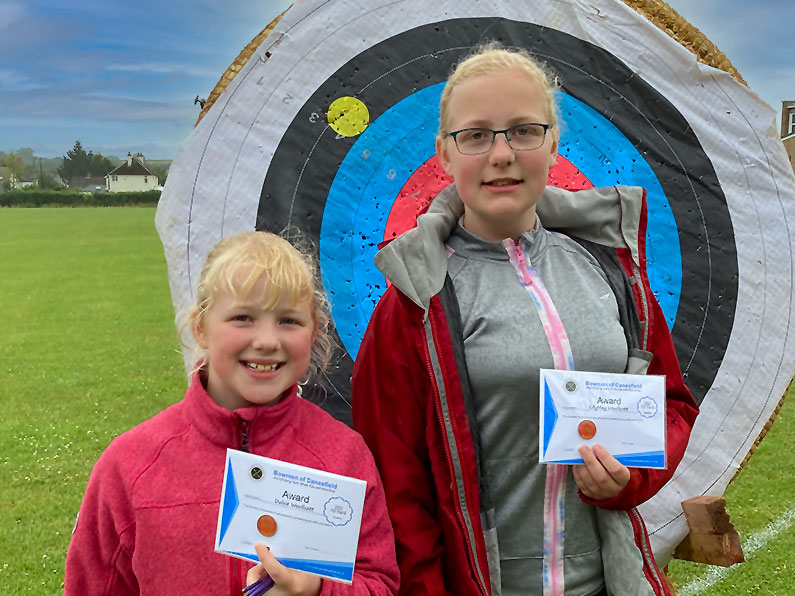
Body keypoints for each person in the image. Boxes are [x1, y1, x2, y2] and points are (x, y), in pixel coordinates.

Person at [351, 42, 699, 596]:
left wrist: (628, 477)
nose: (501, 153)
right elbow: (395, 488)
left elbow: (672, 405)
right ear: (444, 153)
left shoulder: (612, 273)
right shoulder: (414, 302)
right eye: (476, 134)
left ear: (553, 144)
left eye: (523, 130)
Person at [65, 231, 399, 596]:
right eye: (243, 318)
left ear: (313, 332)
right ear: (200, 328)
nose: (268, 341)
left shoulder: (343, 455)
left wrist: (317, 591)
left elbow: (379, 584)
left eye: (288, 321)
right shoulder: (130, 466)